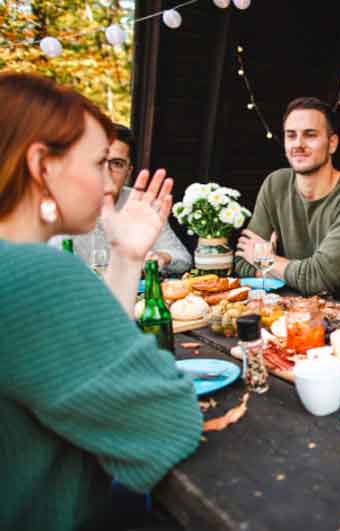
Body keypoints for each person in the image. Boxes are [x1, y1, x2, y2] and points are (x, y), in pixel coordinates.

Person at [0, 72, 201, 530]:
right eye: (97, 164)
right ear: (41, 165)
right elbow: (167, 424)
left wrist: (127, 258)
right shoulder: (36, 273)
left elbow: (88, 378)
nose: (109, 183)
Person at [234, 97, 340, 304]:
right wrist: (290, 272)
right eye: (291, 135)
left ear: (332, 144)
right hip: (287, 310)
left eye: (310, 135)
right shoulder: (275, 184)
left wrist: (267, 260)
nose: (298, 144)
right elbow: (241, 261)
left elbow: (318, 278)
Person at [50, 123, 192, 275]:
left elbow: (183, 258)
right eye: (98, 161)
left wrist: (161, 257)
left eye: (117, 164)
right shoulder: (57, 206)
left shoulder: (144, 204)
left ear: (128, 172)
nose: (106, 172)